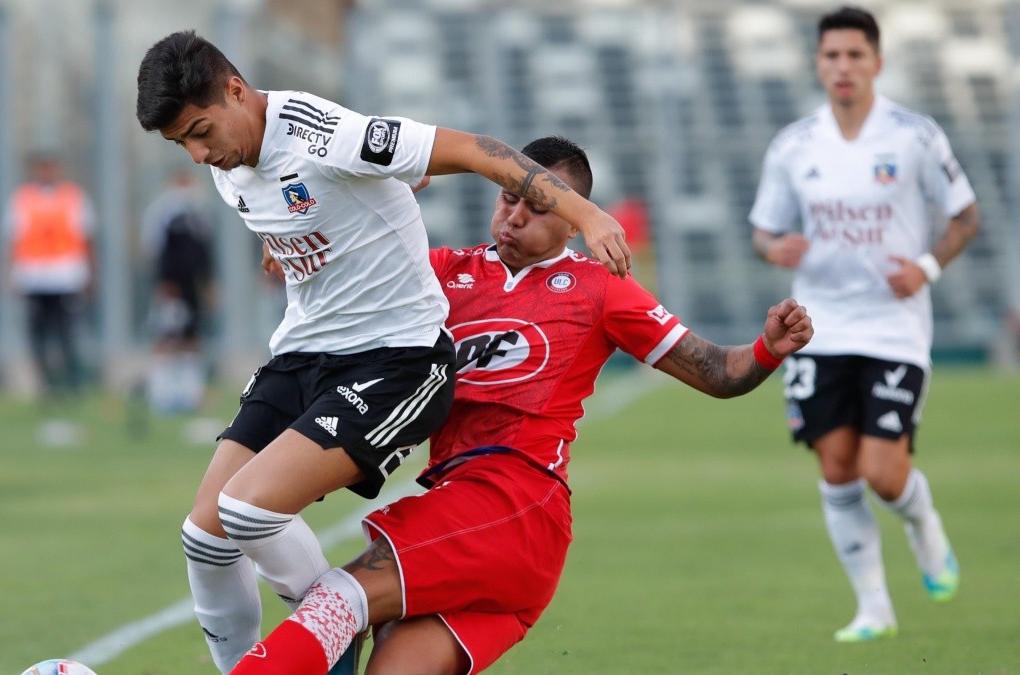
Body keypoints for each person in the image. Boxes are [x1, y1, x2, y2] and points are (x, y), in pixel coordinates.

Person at [134, 32, 632, 674]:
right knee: (204, 535)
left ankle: (332, 650)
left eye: (201, 131)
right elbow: (350, 193)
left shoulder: (324, 134)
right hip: (304, 353)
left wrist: (586, 215)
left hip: (395, 361)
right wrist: (285, 243)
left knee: (246, 508)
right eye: (183, 144)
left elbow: (475, 152)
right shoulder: (234, 164)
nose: (200, 154)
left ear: (235, 90)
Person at [228, 136, 814, 674]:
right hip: (468, 515)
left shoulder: (600, 289)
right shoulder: (440, 275)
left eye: (538, 208)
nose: (514, 216)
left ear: (572, 221)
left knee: (340, 598)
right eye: (509, 198)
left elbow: (717, 372)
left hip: (515, 499)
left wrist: (768, 348)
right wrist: (302, 248)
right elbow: (353, 275)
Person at [748, 6, 978, 643]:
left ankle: (924, 525)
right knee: (838, 469)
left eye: (855, 55)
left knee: (883, 472)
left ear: (876, 61)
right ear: (818, 64)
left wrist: (927, 266)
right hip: (819, 329)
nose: (843, 67)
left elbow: (964, 215)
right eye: (832, 56)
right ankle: (874, 608)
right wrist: (775, 248)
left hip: (893, 328)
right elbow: (763, 230)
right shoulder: (794, 145)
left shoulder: (914, 135)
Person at [1, 155, 96, 398]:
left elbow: (87, 237)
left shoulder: (73, 196)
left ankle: (72, 384)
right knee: (37, 335)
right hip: (33, 277)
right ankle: (47, 384)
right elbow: (12, 239)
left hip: (66, 275)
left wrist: (91, 273)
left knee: (67, 334)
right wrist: (7, 273)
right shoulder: (22, 198)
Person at [140, 167, 215, 414]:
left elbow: (204, 253)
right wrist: (164, 283)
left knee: (192, 338)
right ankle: (161, 395)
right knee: (167, 337)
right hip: (172, 286)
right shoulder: (164, 212)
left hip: (192, 286)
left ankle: (190, 394)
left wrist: (207, 284)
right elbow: (155, 250)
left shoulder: (199, 213)